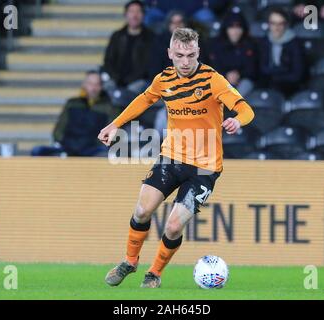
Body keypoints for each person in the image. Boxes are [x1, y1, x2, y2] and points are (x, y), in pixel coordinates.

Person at [98, 28, 254, 288]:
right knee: (142, 210)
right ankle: (129, 261)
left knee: (172, 227)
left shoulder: (212, 80)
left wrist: (238, 121)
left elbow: (245, 108)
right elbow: (144, 99)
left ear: (198, 53)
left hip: (204, 167)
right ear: (170, 53)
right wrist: (115, 124)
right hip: (171, 158)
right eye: (179, 55)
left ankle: (155, 273)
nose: (185, 62)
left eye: (191, 55)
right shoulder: (164, 79)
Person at [31, 71, 117, 157]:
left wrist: (93, 144)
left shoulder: (108, 107)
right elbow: (58, 131)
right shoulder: (72, 103)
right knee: (37, 151)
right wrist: (67, 144)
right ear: (84, 85)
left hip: (92, 150)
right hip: (68, 147)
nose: (93, 88)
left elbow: (109, 134)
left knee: (105, 154)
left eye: (97, 84)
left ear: (101, 87)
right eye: (90, 84)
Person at [102, 0, 154, 95]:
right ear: (126, 15)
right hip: (116, 80)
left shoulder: (151, 37)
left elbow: (150, 65)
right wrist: (116, 78)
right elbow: (108, 61)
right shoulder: (117, 36)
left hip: (140, 81)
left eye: (138, 12)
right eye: (131, 12)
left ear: (143, 15)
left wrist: (132, 80)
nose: (134, 15)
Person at [208, 8, 258, 97]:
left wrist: (239, 75)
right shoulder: (216, 44)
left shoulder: (250, 44)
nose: (235, 32)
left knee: (244, 87)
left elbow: (252, 69)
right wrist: (226, 75)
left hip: (243, 80)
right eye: (231, 27)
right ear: (226, 29)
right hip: (221, 78)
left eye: (238, 27)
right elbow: (212, 66)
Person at [258, 7, 306, 97]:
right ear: (268, 24)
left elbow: (297, 75)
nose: (276, 28)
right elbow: (261, 68)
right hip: (268, 83)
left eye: (280, 24)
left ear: (286, 25)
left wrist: (274, 76)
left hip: (288, 86)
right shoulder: (264, 41)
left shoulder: (296, 44)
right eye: (273, 23)